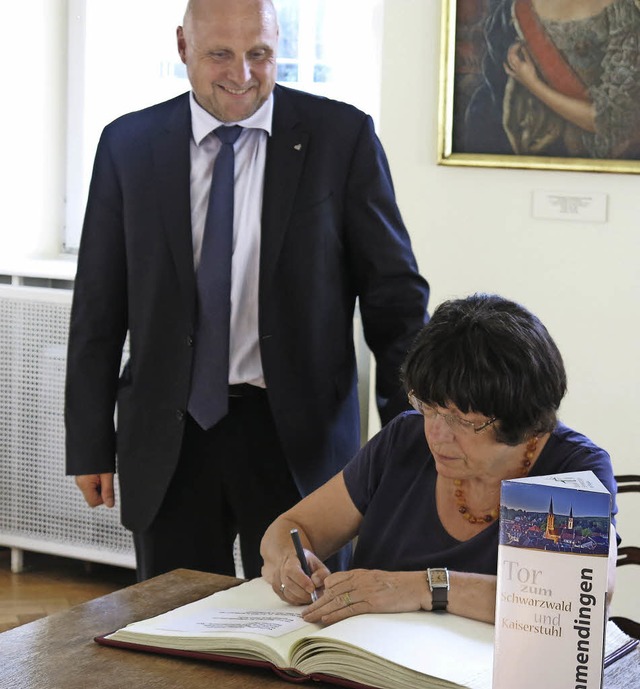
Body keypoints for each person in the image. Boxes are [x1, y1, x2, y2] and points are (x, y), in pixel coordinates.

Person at [64, 0, 429, 581]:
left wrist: (415, 434)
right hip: (169, 438)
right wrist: (88, 440)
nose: (241, 73)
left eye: (258, 54)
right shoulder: (127, 145)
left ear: (277, 46)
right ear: (183, 46)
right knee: (173, 630)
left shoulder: (341, 137)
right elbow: (98, 309)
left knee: (304, 629)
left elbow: (395, 300)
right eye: (219, 54)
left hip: (298, 441)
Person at [261, 294, 618, 625]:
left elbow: (573, 600)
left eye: (463, 421)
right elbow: (292, 527)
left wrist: (424, 588)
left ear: (523, 422)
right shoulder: (405, 440)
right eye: (428, 408)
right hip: (366, 663)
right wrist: (289, 563)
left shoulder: (568, 470)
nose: (437, 434)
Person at [464, 0, 640, 159]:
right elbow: (494, 98)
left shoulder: (621, 10)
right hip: (526, 154)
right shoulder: (509, 11)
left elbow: (608, 120)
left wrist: (533, 85)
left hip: (602, 160)